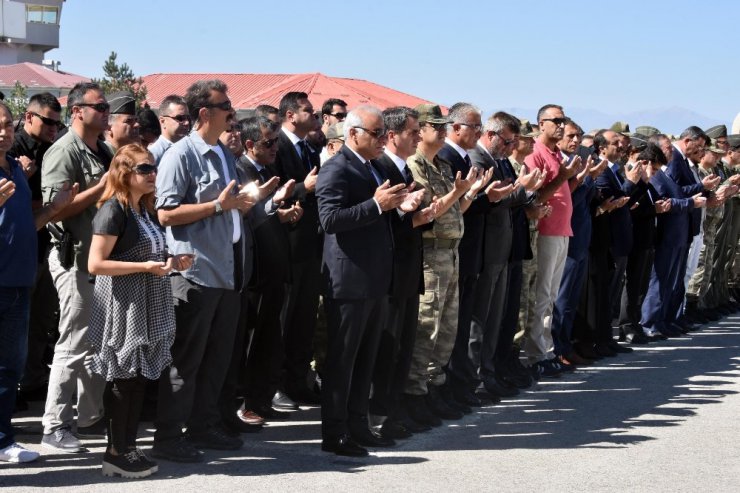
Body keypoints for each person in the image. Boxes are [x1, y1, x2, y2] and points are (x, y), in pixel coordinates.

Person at [153, 80, 257, 462]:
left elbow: (226, 203)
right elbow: (165, 213)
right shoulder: (180, 155)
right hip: (194, 273)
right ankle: (167, 437)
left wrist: (238, 206)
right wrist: (218, 206)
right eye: (225, 105)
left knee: (217, 358)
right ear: (204, 113)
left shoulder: (223, 154)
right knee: (186, 360)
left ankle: (204, 425)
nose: (232, 112)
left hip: (227, 272)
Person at [316, 105, 422, 457]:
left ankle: (359, 425)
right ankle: (334, 432)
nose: (381, 141)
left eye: (381, 135)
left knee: (366, 359)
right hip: (349, 279)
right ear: (353, 134)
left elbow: (382, 212)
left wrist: (401, 206)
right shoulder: (337, 168)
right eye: (375, 134)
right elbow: (330, 219)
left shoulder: (375, 167)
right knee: (343, 359)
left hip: (377, 277)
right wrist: (376, 206)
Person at [87, 144, 193, 478]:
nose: (152, 174)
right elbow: (95, 263)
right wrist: (144, 267)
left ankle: (128, 447)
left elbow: (150, 257)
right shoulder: (113, 210)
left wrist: (172, 263)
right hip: (123, 301)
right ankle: (116, 451)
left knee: (137, 378)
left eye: (152, 168)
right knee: (123, 375)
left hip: (146, 297)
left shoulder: (143, 209)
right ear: (125, 173)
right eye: (144, 169)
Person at [1, 101, 77, 463]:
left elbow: (27, 224)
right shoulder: (18, 165)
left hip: (18, 280)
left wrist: (55, 208)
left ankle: (3, 441)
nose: (3, 132)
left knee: (9, 366)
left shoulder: (14, 168)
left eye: (5, 124)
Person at [40, 82, 113, 453]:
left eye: (106, 107)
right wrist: (99, 189)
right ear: (77, 112)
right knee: (72, 342)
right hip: (74, 258)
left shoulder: (104, 149)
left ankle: (87, 417)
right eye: (98, 106)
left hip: (99, 262)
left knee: (95, 343)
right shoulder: (63, 151)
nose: (105, 111)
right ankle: (54, 425)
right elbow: (55, 210)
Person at [9, 92, 64, 404]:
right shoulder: (14, 150)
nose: (54, 128)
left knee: (40, 320)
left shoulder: (53, 150)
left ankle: (30, 379)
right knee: (16, 323)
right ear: (29, 117)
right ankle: (13, 385)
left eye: (58, 123)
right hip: (20, 248)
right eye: (48, 121)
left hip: (46, 245)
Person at [149, 95, 191, 165]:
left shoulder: (191, 150)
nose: (187, 122)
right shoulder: (153, 154)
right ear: (163, 121)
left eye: (188, 118)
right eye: (180, 118)